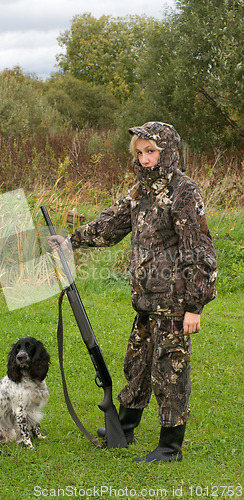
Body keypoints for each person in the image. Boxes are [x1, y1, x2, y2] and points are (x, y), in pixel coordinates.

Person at [49, 122, 217, 463]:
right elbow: (111, 223)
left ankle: (170, 446)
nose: (144, 159)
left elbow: (199, 251)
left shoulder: (184, 192)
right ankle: (124, 427)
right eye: (139, 153)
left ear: (168, 152)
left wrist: (195, 307)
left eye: (151, 151)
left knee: (169, 372)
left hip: (175, 302)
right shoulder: (139, 191)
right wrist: (72, 240)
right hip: (146, 300)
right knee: (137, 365)